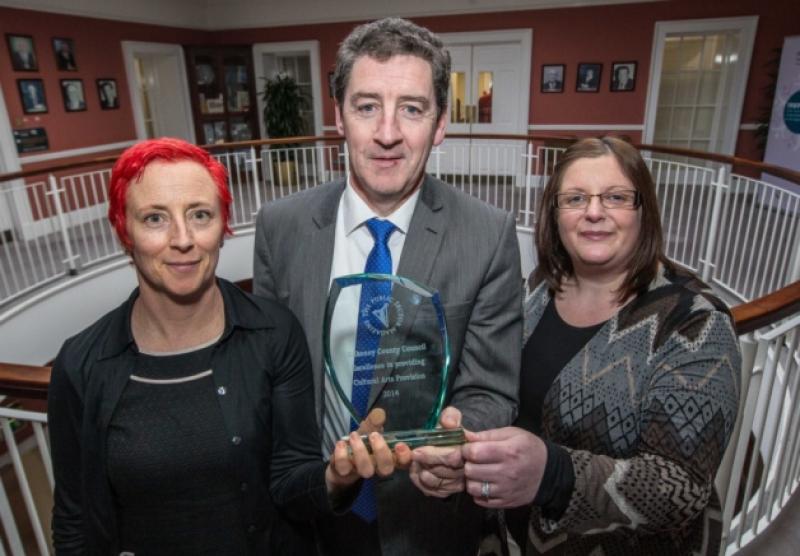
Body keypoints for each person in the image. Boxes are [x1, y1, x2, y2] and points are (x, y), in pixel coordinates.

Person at [48, 138, 402, 555]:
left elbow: (290, 480)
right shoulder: (82, 364)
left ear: (223, 226)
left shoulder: (273, 333)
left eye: (200, 215)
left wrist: (336, 478)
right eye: (155, 218)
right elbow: (75, 522)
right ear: (124, 230)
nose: (183, 239)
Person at [253, 16, 522, 556]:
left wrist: (452, 442)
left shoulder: (487, 234)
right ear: (339, 117)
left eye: (413, 109)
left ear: (440, 123)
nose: (387, 133)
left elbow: (490, 388)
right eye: (367, 105)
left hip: (423, 516)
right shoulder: (279, 227)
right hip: (312, 513)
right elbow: (271, 375)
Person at [456, 137, 741, 555]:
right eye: (575, 198)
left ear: (643, 210)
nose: (593, 212)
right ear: (554, 214)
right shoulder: (539, 288)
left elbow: (682, 488)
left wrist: (555, 474)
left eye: (616, 197)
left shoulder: (694, 322)